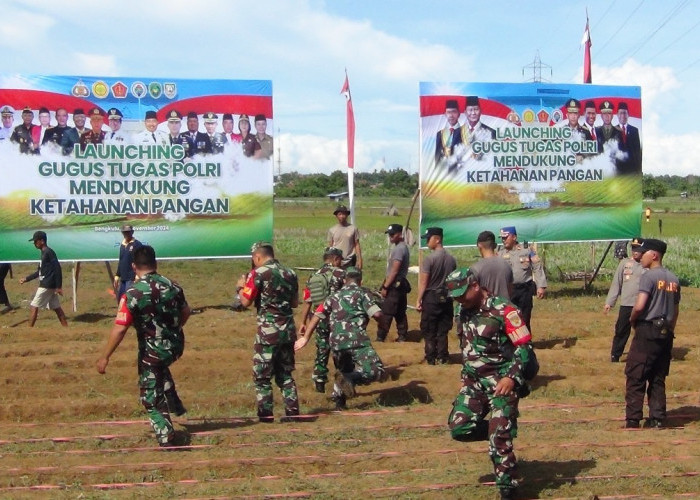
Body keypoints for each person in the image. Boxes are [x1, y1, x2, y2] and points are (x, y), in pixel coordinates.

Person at [445, 268, 532, 500]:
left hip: (501, 383)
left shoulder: (505, 310)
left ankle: (508, 489)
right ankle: (500, 430)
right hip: (474, 384)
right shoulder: (461, 310)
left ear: (475, 286)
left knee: (498, 440)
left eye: (462, 294)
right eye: (455, 297)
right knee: (459, 427)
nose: (459, 300)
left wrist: (511, 377)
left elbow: (524, 348)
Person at [96, 245, 190, 447]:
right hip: (175, 346)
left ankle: (166, 435)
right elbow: (186, 312)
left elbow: (120, 328)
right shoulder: (173, 286)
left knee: (149, 395)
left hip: (152, 351)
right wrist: (173, 330)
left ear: (133, 266)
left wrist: (105, 356)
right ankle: (173, 398)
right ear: (155, 263)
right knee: (159, 367)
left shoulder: (132, 293)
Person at [295, 266, 385, 410]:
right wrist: (382, 320)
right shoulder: (362, 294)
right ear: (360, 281)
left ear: (344, 280)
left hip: (336, 342)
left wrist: (305, 338)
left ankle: (339, 403)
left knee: (343, 370)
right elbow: (377, 315)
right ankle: (350, 379)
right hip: (357, 339)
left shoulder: (333, 296)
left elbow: (317, 315)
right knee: (375, 370)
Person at [235, 242, 300, 422]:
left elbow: (245, 302)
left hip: (267, 333)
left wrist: (240, 286)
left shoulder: (258, 274)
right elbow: (295, 303)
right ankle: (293, 412)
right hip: (287, 330)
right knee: (286, 374)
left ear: (258, 257)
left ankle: (265, 415)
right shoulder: (290, 273)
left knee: (262, 376)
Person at [625, 238, 680, 429]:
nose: (641, 255)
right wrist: (670, 329)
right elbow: (675, 310)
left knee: (636, 373)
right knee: (657, 376)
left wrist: (632, 319)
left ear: (654, 255)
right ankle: (657, 418)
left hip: (647, 330)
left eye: (645, 252)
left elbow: (640, 305)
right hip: (666, 332)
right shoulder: (673, 278)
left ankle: (633, 419)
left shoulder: (649, 277)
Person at [299, 247, 346, 392]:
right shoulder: (341, 274)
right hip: (337, 319)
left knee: (322, 350)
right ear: (335, 259)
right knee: (340, 352)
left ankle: (319, 381)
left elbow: (308, 300)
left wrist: (303, 322)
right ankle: (340, 386)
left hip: (318, 319)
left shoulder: (313, 276)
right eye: (340, 260)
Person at [416, 227, 456, 365]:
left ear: (437, 239)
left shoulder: (429, 259)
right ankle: (443, 356)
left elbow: (423, 282)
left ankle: (430, 357)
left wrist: (419, 299)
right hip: (446, 297)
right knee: (443, 329)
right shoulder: (451, 259)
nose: (427, 241)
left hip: (431, 298)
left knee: (429, 329)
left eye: (429, 238)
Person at [498, 226, 546, 332]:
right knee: (508, 318)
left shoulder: (526, 250)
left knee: (524, 318)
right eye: (502, 238)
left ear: (514, 237)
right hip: (507, 291)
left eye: (506, 237)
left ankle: (525, 344)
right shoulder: (500, 253)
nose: (503, 240)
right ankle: (512, 344)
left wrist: (541, 286)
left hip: (525, 289)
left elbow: (537, 267)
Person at [604, 238, 644, 362]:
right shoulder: (624, 264)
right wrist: (609, 302)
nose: (635, 252)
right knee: (621, 330)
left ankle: (642, 354)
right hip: (626, 304)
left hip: (642, 304)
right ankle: (615, 354)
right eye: (633, 248)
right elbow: (617, 283)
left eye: (638, 249)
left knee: (643, 331)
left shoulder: (647, 265)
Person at [18, 231, 68, 327]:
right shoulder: (44, 253)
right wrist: (26, 279)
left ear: (42, 241)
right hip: (49, 285)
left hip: (47, 284)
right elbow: (39, 272)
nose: (34, 244)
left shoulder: (49, 252)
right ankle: (66, 328)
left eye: (36, 241)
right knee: (57, 308)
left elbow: (57, 268)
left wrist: (59, 286)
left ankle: (29, 331)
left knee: (34, 306)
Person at [376, 223, 410, 343]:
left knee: (387, 311)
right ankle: (402, 335)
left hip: (395, 285)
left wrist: (385, 286)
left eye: (393, 234)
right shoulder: (402, 247)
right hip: (400, 284)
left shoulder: (399, 249)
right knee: (400, 312)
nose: (390, 237)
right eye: (389, 234)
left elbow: (394, 271)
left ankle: (381, 336)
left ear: (400, 234)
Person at [471, 230, 513, 300]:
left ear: (479, 245)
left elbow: (473, 294)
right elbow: (510, 290)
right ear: (494, 245)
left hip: (485, 309)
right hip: (505, 308)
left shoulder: (475, 268)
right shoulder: (506, 265)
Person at [113, 224, 144, 302]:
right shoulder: (122, 245)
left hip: (132, 278)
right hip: (123, 278)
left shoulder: (137, 244)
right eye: (124, 232)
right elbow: (121, 260)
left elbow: (140, 260)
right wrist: (117, 275)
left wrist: (137, 275)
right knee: (121, 300)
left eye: (128, 232)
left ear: (132, 232)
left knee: (130, 300)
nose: (126, 234)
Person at [327, 205, 363, 269]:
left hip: (350, 261)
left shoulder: (353, 229)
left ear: (347, 215)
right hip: (336, 261)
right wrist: (329, 261)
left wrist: (359, 260)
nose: (342, 216)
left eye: (344, 214)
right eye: (340, 214)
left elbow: (357, 244)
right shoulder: (332, 230)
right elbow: (330, 246)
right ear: (336, 216)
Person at [615, 101, 642, 175]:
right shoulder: (613, 130)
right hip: (618, 171)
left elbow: (637, 152)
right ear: (617, 115)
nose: (623, 116)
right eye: (621, 113)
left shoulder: (634, 130)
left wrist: (638, 171)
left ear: (628, 115)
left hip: (632, 171)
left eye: (625, 113)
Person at [434, 99, 462, 164]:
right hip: (444, 170)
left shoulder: (464, 132)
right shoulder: (440, 134)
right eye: (448, 112)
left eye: (454, 112)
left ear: (459, 114)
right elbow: (437, 156)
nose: (451, 115)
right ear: (445, 114)